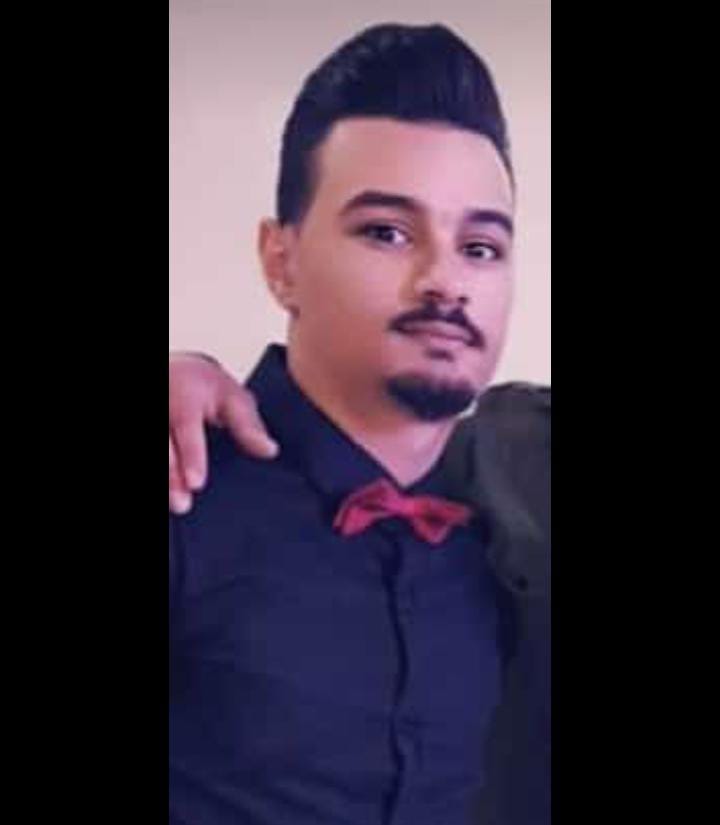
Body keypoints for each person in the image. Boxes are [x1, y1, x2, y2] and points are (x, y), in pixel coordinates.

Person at [170, 22, 550, 825]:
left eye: (481, 247)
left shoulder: (524, 501)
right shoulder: (184, 491)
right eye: (387, 232)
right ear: (281, 261)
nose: (445, 280)